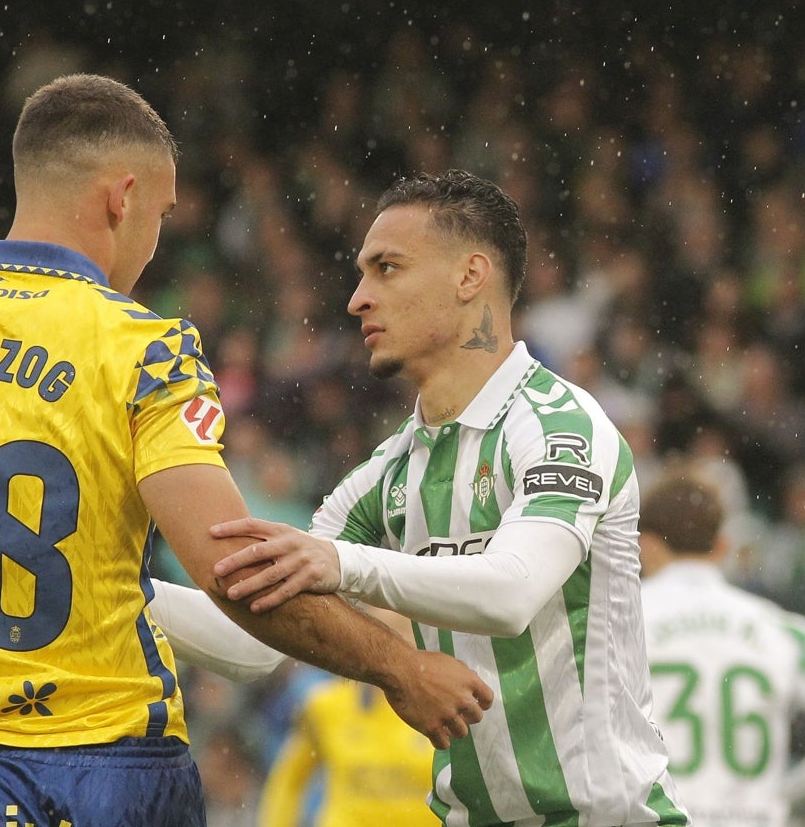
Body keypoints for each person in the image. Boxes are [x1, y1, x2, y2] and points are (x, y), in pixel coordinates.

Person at [0, 75, 493, 827]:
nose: (155, 244)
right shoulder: (142, 349)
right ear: (123, 197)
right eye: (164, 218)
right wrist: (400, 669)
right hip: (114, 772)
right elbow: (235, 573)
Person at [208, 169, 690, 825]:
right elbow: (264, 635)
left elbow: (511, 592)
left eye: (387, 269)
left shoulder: (558, 427)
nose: (357, 299)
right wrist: (131, 606)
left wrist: (342, 564)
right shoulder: (393, 470)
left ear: (470, 278)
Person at [638, 468, 805, 827]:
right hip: (753, 819)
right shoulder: (786, 629)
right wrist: (787, 792)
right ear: (722, 546)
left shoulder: (620, 621)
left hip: (658, 818)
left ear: (645, 545)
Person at [257, 608, 440, 827]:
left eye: (401, 636)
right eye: (378, 640)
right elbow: (287, 783)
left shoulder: (441, 709)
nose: (388, 653)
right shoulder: (325, 706)